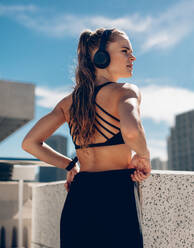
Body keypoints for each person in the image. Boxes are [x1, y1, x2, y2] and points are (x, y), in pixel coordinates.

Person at [22, 27, 151, 248]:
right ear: (99, 57)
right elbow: (131, 131)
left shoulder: (68, 102)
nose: (133, 56)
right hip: (117, 196)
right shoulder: (126, 91)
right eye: (125, 50)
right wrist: (143, 156)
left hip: (79, 198)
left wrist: (70, 165)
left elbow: (29, 143)